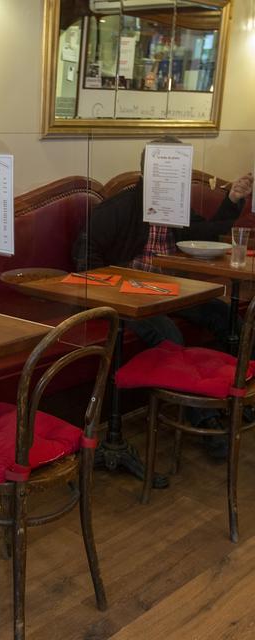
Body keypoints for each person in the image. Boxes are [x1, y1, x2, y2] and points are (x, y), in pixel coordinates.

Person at [72, 138, 253, 458]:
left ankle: (234, 400)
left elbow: (206, 234)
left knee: (225, 316)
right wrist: (115, 288)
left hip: (173, 289)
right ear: (149, 171)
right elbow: (84, 255)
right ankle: (206, 420)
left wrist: (232, 200)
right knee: (170, 334)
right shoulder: (121, 207)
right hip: (131, 297)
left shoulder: (176, 204)